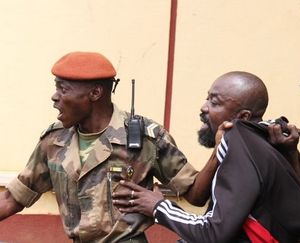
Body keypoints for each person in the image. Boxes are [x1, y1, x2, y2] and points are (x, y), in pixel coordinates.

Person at [0, 51, 218, 242]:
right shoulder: (55, 140)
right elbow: (13, 198)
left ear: (95, 93)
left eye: (63, 89)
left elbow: (195, 194)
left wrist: (218, 151)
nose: (54, 97)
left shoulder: (145, 138)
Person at [112, 71, 300, 242]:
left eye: (215, 102)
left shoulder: (240, 143)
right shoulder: (271, 139)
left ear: (243, 117)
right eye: (207, 98)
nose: (204, 108)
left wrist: (158, 206)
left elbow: (214, 233)